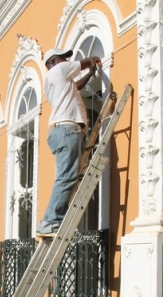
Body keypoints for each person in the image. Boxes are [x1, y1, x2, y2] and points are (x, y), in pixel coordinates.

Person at [36, 48, 101, 238]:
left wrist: (90, 74)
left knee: (66, 176)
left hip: (60, 131)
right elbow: (86, 61)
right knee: (66, 178)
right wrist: (92, 61)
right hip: (67, 130)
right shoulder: (59, 70)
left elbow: (77, 86)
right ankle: (51, 221)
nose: (67, 60)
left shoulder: (53, 81)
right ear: (54, 61)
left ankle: (52, 219)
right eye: (64, 58)